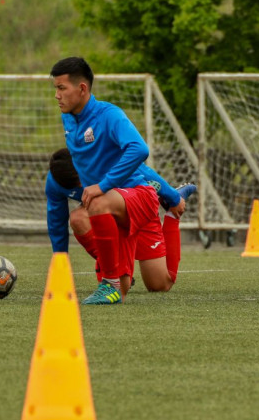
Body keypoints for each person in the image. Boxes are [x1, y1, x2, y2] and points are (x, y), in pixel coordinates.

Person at [52, 56, 166, 304]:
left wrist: (102, 186)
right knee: (146, 287)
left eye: (62, 88)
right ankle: (115, 279)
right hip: (113, 207)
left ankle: (110, 282)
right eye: (55, 89)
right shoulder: (68, 118)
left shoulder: (110, 114)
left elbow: (139, 149)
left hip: (138, 196)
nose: (57, 95)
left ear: (82, 89)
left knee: (97, 204)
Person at [46, 148, 196, 290]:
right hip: (106, 216)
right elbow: (56, 223)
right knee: (78, 218)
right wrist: (60, 264)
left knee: (159, 285)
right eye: (79, 185)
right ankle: (112, 271)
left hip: (137, 208)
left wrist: (174, 198)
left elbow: (141, 168)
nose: (84, 185)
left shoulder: (101, 159)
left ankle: (171, 213)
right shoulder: (55, 183)